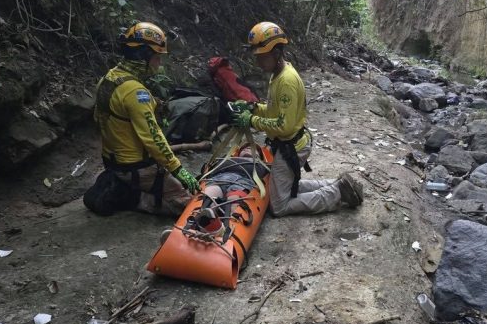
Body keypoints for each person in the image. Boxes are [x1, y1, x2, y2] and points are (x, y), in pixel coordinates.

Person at [231, 21, 363, 216]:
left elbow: (283, 125)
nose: (257, 62)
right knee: (287, 188)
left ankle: (336, 193)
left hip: (291, 147)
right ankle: (335, 184)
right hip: (288, 144)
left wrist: (251, 120)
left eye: (262, 57)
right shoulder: (277, 74)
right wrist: (254, 108)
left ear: (276, 53)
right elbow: (276, 110)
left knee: (278, 206)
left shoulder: (286, 81)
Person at [87, 21, 200, 216]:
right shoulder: (136, 93)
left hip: (112, 161)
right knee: (188, 204)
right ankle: (131, 197)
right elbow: (153, 138)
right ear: (144, 56)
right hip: (134, 167)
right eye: (157, 57)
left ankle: (120, 183)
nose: (159, 63)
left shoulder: (107, 79)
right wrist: (177, 169)